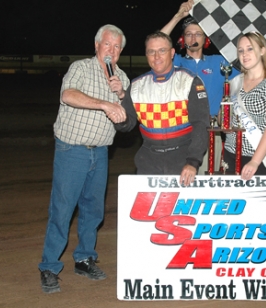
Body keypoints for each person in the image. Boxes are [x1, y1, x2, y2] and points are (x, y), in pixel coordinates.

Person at [38, 24, 130, 294]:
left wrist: (121, 95)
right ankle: (49, 266)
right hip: (72, 150)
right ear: (97, 46)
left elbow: (126, 119)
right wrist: (104, 103)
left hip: (101, 152)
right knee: (62, 210)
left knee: (93, 211)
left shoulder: (121, 78)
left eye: (116, 47)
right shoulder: (80, 68)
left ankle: (84, 259)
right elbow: (67, 95)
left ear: (121, 51)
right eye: (107, 45)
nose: (111, 50)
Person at [161, 0, 266, 174]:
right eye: (188, 34)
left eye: (198, 34)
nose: (193, 38)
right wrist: (178, 16)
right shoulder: (175, 62)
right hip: (181, 129)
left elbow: (251, 60)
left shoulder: (219, 63)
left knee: (211, 180)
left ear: (206, 39)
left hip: (212, 132)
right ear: (182, 38)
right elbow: (158, 45)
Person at [115, 31, 209, 186]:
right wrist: (121, 119)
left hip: (183, 161)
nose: (156, 56)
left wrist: (193, 162)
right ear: (146, 55)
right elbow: (128, 124)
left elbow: (201, 124)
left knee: (181, 211)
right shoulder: (136, 86)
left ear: (172, 53)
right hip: (148, 161)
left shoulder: (190, 81)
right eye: (151, 52)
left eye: (162, 51)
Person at [224, 32, 266, 180]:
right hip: (230, 153)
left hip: (259, 158)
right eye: (241, 50)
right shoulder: (234, 82)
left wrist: (255, 161)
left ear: (262, 51)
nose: (244, 54)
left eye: (250, 48)